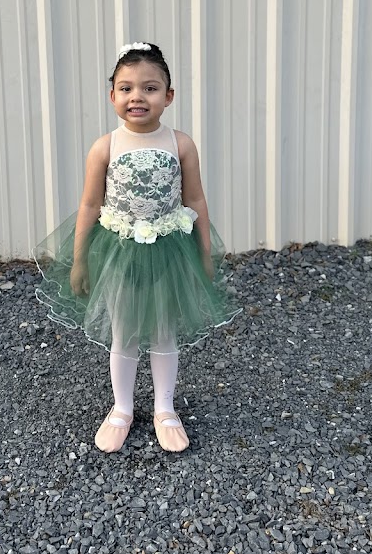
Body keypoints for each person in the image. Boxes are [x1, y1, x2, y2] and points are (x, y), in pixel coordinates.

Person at [35, 42, 239, 453]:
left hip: (169, 253)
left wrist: (204, 253)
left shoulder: (180, 144)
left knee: (164, 330)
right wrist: (79, 261)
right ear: (112, 95)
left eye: (150, 88)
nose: (137, 97)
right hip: (119, 253)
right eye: (126, 88)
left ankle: (165, 409)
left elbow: (195, 199)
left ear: (169, 95)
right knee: (124, 331)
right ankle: (122, 408)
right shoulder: (105, 146)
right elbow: (90, 205)